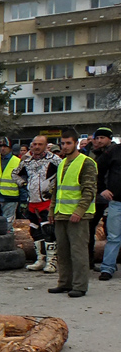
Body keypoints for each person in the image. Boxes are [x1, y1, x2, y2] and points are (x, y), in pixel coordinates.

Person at [48, 128, 98, 298]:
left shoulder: (86, 162)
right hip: (61, 213)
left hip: (78, 216)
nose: (65, 146)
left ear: (76, 143)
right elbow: (57, 190)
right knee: (62, 252)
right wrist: (52, 210)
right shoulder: (62, 163)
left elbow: (89, 190)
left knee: (78, 252)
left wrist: (80, 211)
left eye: (68, 143)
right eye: (63, 143)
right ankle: (64, 283)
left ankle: (79, 286)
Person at [13, 135, 60, 273]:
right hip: (32, 201)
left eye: (40, 144)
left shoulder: (55, 159)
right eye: (34, 144)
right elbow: (14, 174)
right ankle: (40, 259)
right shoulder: (27, 161)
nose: (37, 147)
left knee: (48, 230)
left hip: (47, 201)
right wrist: (23, 184)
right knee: (34, 230)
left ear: (46, 146)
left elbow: (65, 174)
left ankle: (52, 261)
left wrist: (54, 187)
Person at [88, 127, 114, 269]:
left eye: (102, 138)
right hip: (96, 197)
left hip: (112, 197)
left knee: (111, 231)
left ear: (109, 138)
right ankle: (89, 260)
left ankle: (110, 262)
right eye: (97, 138)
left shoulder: (114, 152)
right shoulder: (92, 153)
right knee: (90, 229)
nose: (99, 141)